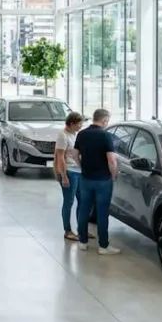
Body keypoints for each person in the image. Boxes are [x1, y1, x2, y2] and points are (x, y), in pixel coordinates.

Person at [73, 108, 121, 255]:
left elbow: (74, 155)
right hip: (103, 180)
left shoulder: (82, 134)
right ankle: (103, 246)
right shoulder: (106, 136)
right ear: (105, 120)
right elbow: (111, 160)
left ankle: (82, 242)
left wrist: (83, 167)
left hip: (86, 178)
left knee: (84, 210)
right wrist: (113, 175)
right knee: (102, 212)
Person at [53, 112, 86, 241]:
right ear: (72, 123)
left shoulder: (74, 135)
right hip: (70, 172)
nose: (81, 126)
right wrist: (63, 175)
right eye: (79, 124)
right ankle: (67, 230)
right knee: (69, 202)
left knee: (83, 201)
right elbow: (59, 157)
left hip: (79, 172)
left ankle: (81, 229)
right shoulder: (63, 136)